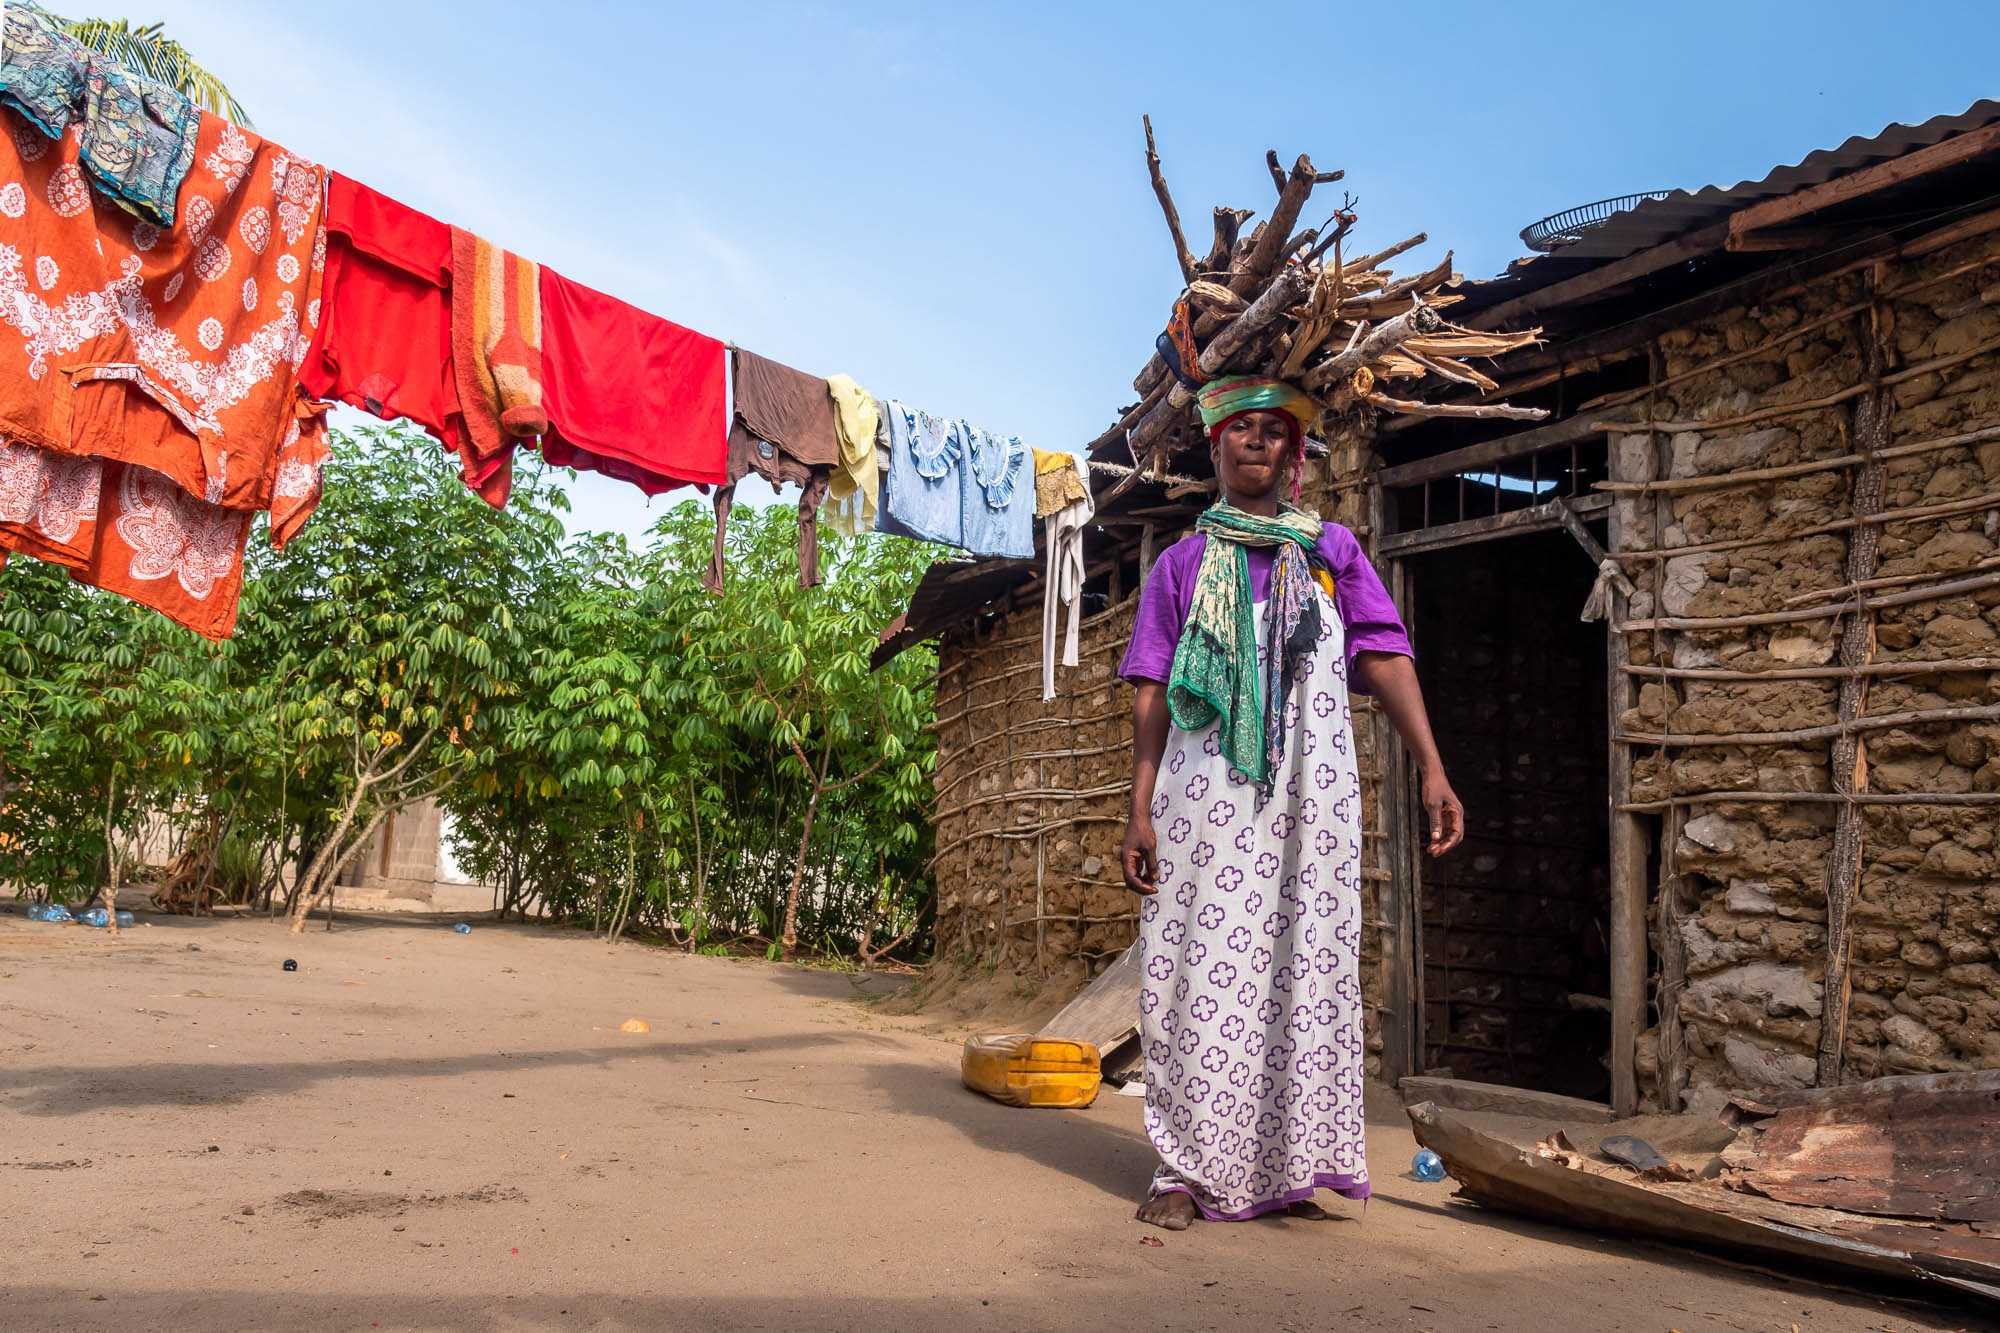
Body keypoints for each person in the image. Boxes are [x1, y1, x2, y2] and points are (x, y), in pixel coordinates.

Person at [1117, 375, 1464, 1230]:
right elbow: (1152, 685)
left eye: (1276, 432)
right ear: (1215, 446)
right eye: (1243, 430)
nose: (1258, 444)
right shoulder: (1183, 563)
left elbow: (1383, 656)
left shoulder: (1332, 553)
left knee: (1304, 962)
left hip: (1314, 800)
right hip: (1207, 799)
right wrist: (1139, 804)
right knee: (1197, 969)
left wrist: (1432, 765)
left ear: (1296, 453)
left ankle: (1289, 1162)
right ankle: (1184, 1169)